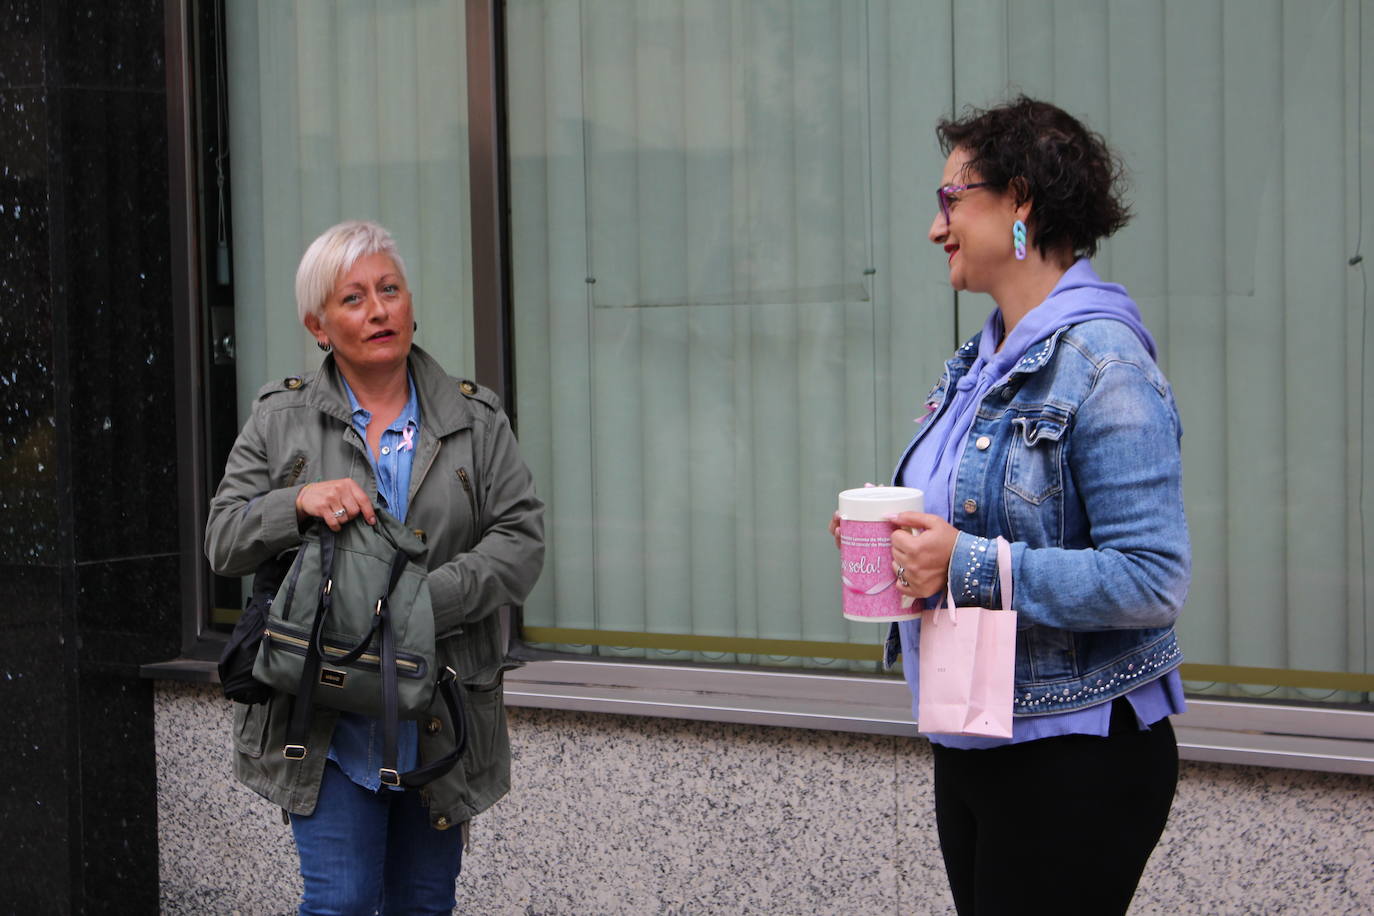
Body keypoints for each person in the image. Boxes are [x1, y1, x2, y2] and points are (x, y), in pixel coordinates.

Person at [834, 97, 1190, 915]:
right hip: (977, 733)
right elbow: (974, 514)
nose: (936, 228)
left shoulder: (1104, 363)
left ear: (1021, 200)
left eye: (952, 200)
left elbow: (1154, 578)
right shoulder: (983, 360)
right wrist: (896, 537)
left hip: (1074, 753)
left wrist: (963, 562)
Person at [205, 220, 544, 915]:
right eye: (354, 298)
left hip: (439, 709)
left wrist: (419, 605)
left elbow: (520, 542)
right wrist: (296, 501)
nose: (379, 309)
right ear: (319, 325)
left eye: (389, 289)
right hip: (322, 716)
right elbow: (224, 541)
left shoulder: (475, 421)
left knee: (423, 905)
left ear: (411, 303)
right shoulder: (281, 419)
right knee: (344, 902)